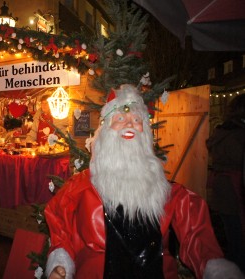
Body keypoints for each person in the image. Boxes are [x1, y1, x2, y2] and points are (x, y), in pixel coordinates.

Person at [44, 84, 244, 279]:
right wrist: (61, 260)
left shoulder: (166, 192)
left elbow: (195, 233)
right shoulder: (81, 186)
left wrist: (213, 265)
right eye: (120, 117)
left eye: (137, 118)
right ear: (105, 131)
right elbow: (59, 220)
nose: (130, 123)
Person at [206, 93, 245, 273]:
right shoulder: (238, 135)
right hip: (235, 192)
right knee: (237, 242)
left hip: (224, 192)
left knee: (233, 238)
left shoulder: (222, 132)